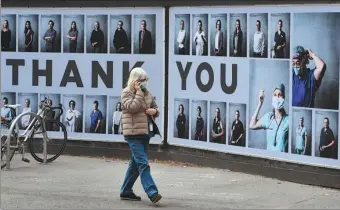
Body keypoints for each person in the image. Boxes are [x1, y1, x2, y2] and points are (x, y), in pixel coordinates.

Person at [120, 67, 162, 203]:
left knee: (135, 164)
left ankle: (126, 190)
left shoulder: (147, 93)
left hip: (145, 133)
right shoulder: (126, 93)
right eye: (143, 80)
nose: (145, 82)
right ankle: (152, 192)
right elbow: (132, 107)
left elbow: (156, 108)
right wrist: (138, 93)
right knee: (143, 163)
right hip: (133, 134)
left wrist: (154, 111)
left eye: (146, 80)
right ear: (135, 81)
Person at [249, 83, 289, 152]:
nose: (277, 97)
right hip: (269, 160)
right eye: (275, 95)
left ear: (284, 98)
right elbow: (252, 125)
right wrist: (260, 104)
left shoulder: (288, 120)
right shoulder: (269, 117)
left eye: (280, 95)